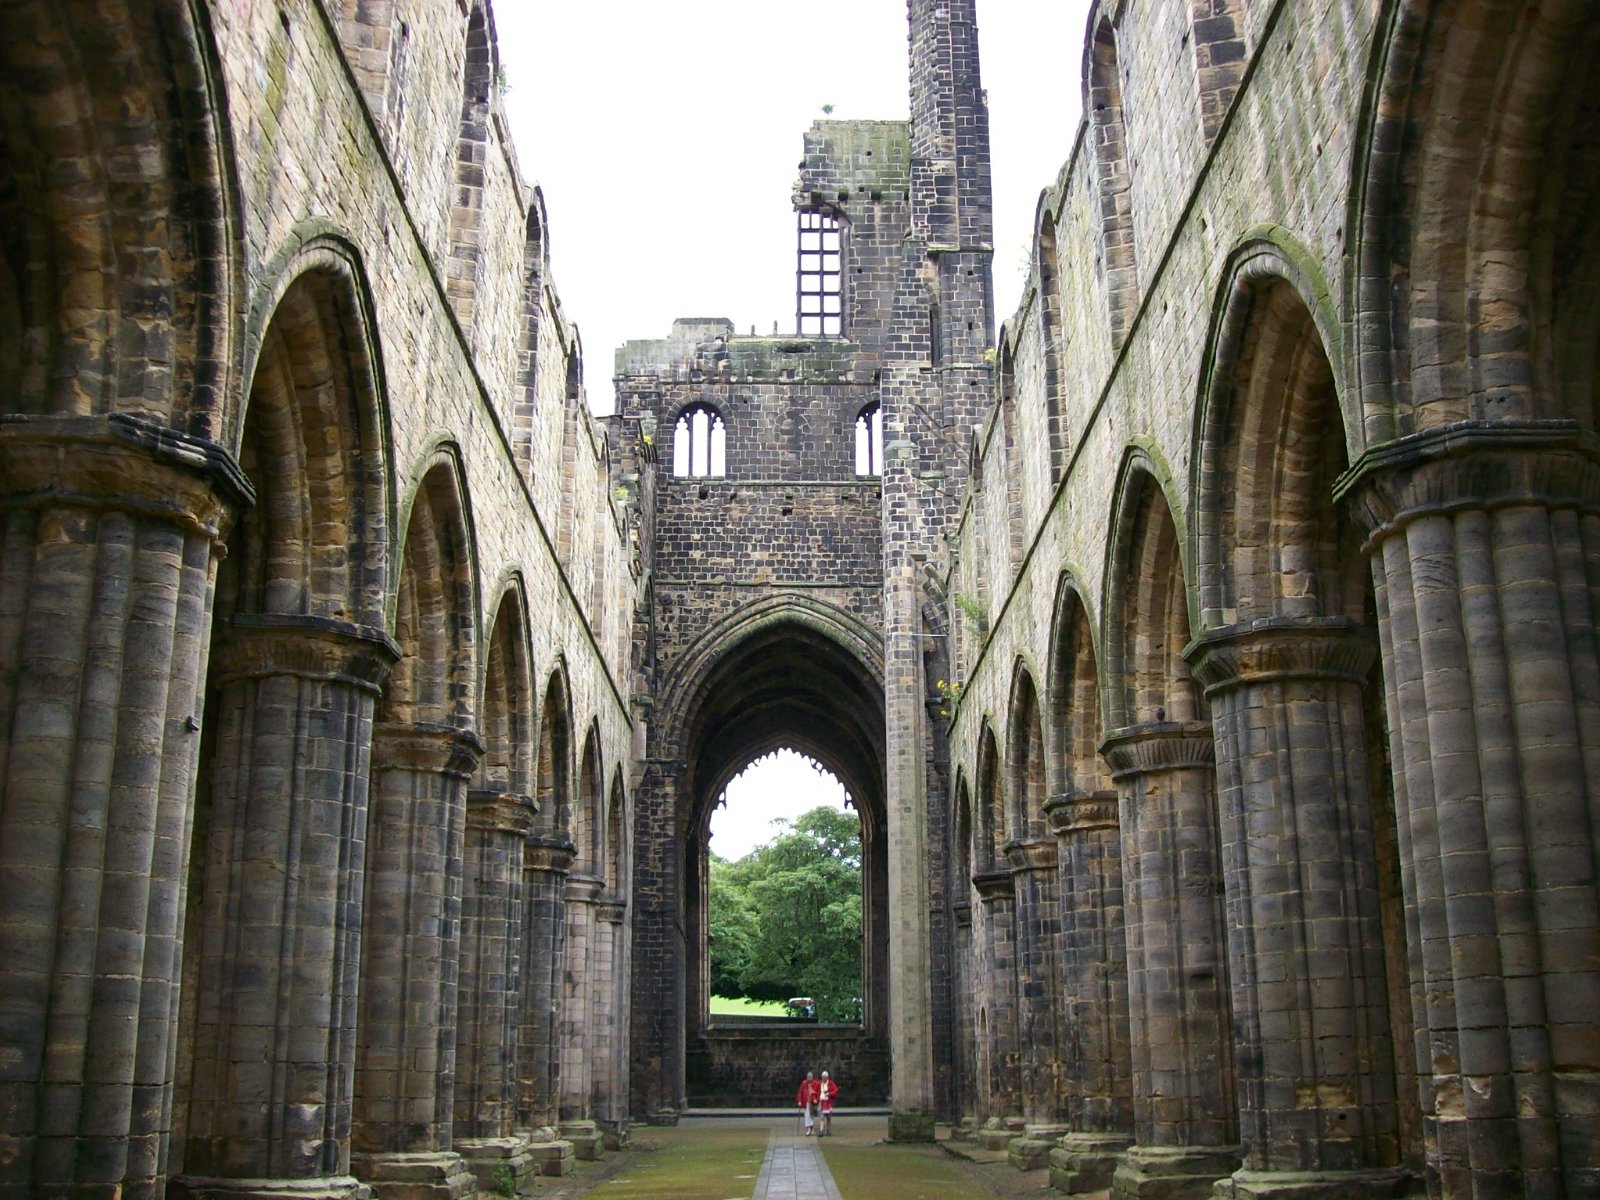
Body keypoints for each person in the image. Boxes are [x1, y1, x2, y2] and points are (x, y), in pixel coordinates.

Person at [817, 1070, 840, 1136]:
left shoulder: (831, 1083)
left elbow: (835, 1091)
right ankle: (821, 1131)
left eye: (825, 1077)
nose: (823, 1078)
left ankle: (828, 1130)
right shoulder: (819, 1083)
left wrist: (829, 1094)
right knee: (822, 1117)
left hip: (828, 1102)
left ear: (827, 1077)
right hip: (821, 1102)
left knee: (828, 1118)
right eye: (822, 1077)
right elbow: (816, 1090)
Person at [795, 1070, 819, 1136]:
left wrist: (816, 1099)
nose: (809, 1078)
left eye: (810, 1077)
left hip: (812, 1102)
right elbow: (800, 1092)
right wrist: (799, 1101)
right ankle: (808, 1129)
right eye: (808, 1077)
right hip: (806, 1102)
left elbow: (818, 1093)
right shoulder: (804, 1083)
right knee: (807, 1115)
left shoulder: (816, 1084)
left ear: (812, 1077)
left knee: (811, 1115)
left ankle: (811, 1128)